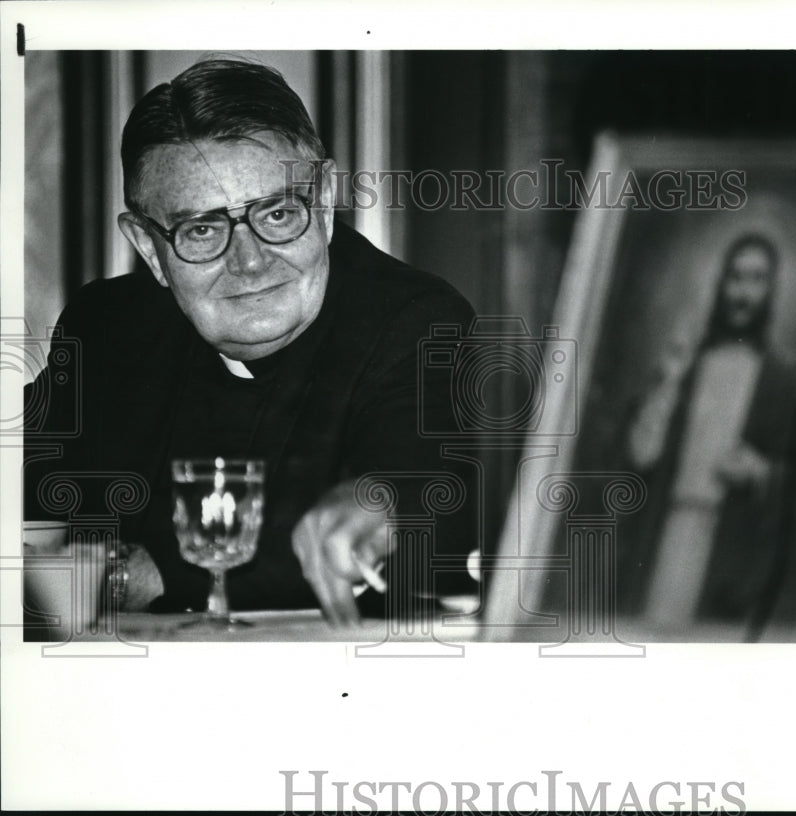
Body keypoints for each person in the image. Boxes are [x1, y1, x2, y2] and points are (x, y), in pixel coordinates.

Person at [23, 59, 478, 626]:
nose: (251, 261)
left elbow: (420, 486)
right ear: (147, 246)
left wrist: (131, 577)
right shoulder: (109, 326)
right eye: (202, 230)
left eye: (280, 213)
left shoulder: (415, 320)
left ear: (326, 201)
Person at [622, 234, 796, 625]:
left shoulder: (781, 379)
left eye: (756, 279)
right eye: (735, 278)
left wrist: (759, 471)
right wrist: (667, 382)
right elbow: (641, 455)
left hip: (730, 543)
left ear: (770, 290)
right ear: (721, 284)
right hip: (669, 535)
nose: (743, 293)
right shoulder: (685, 367)